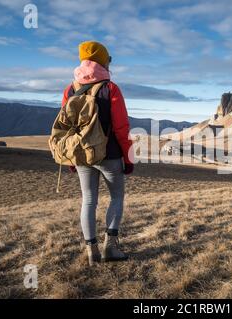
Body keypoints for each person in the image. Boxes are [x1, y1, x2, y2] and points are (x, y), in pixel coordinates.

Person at [61, 41, 134, 265]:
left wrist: (72, 157)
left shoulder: (70, 89)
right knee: (117, 197)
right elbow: (122, 128)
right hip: (109, 154)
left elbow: (66, 127)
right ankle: (110, 248)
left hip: (82, 154)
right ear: (103, 60)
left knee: (89, 200)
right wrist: (128, 158)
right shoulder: (111, 88)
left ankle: (91, 251)